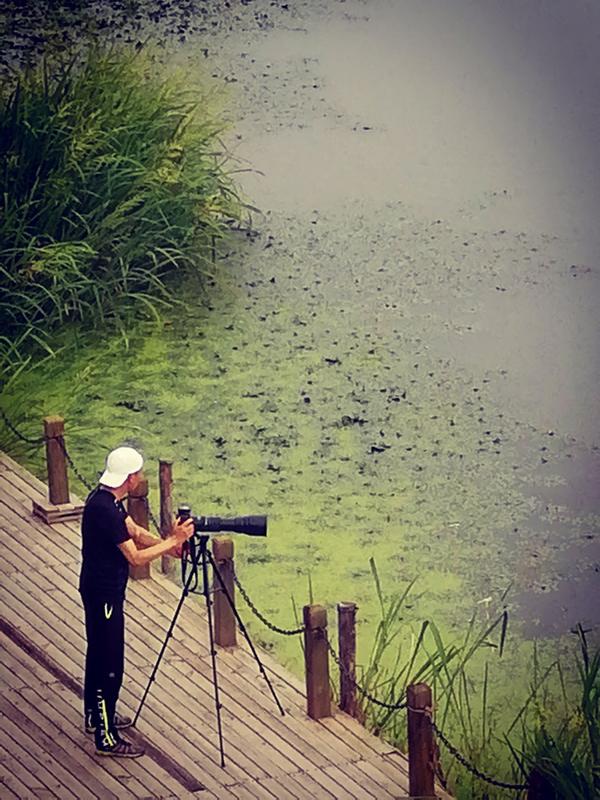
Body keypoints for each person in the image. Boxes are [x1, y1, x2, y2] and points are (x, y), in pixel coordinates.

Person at [79, 445, 193, 758]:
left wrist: (169, 547)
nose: (140, 479)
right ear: (129, 478)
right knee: (109, 662)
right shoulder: (105, 510)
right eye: (138, 474)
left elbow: (135, 533)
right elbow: (134, 556)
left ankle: (95, 715)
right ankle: (105, 736)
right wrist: (172, 541)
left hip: (99, 589)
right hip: (104, 595)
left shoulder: (106, 501)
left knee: (98, 652)